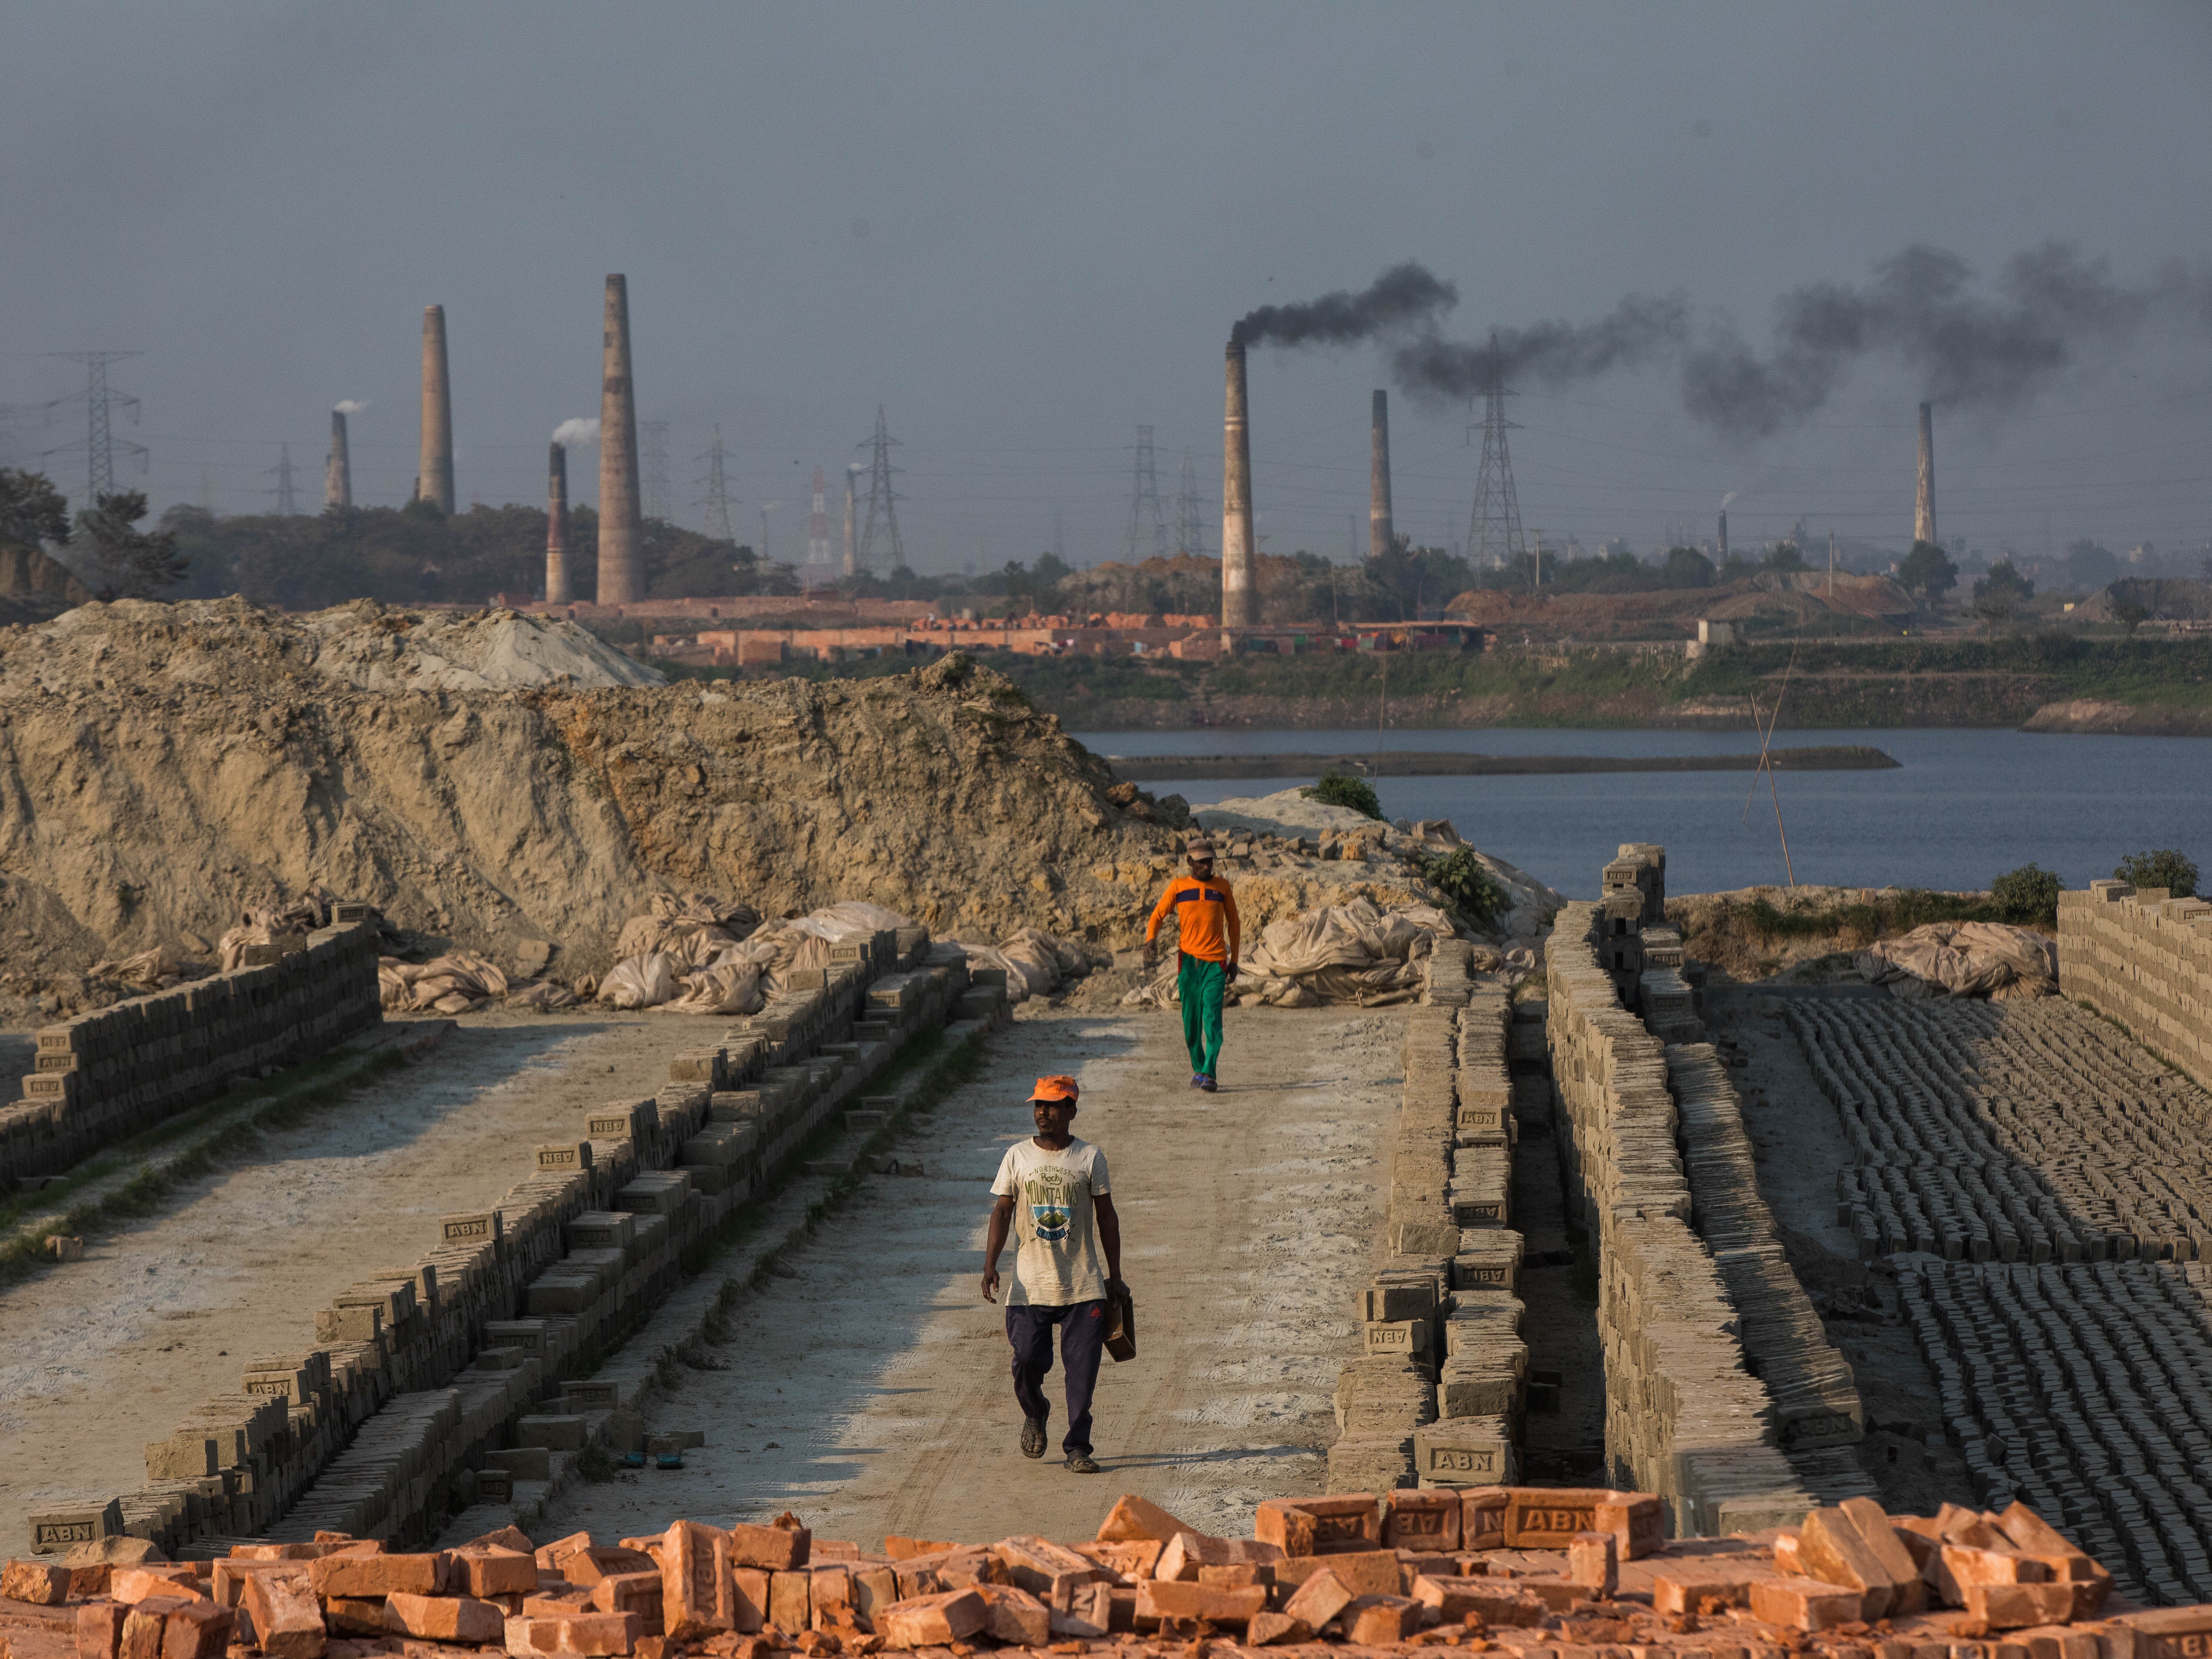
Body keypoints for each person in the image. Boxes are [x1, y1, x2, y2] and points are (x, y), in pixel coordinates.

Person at [980, 1075, 1123, 1474]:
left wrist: (1115, 1276)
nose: (1044, 1112)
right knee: (1025, 1359)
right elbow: (1002, 1212)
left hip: (1083, 1284)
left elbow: (1107, 1217)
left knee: (1081, 1375)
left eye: (1054, 1105)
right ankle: (1036, 1410)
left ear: (1071, 1111)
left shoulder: (1090, 1157)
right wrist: (990, 1264)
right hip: (1030, 1285)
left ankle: (1078, 1447)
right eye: (1039, 1104)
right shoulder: (1017, 1157)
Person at [1142, 837, 1241, 1091]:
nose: (1206, 867)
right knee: (1191, 1024)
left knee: (1212, 1020)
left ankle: (1209, 1073)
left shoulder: (1223, 887)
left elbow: (1235, 924)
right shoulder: (1178, 887)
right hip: (1188, 965)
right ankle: (1198, 1069)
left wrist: (1235, 961)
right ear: (1189, 862)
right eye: (1201, 863)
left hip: (1215, 964)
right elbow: (1157, 916)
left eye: (1209, 862)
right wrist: (1150, 940)